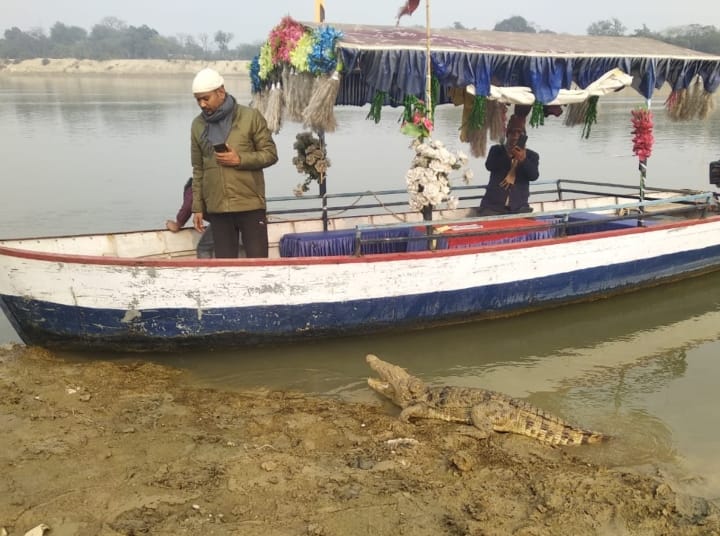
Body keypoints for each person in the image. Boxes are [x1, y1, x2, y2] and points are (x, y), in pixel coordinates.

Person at [190, 68, 279, 258]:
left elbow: (270, 154)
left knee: (258, 264)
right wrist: (197, 207)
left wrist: (240, 159)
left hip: (250, 204)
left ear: (220, 92)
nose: (202, 104)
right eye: (198, 100)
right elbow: (198, 169)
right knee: (226, 269)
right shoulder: (197, 125)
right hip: (218, 208)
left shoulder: (250, 117)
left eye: (206, 98)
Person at [478, 114, 540, 216]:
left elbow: (534, 176)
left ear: (524, 137)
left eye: (519, 133)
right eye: (512, 133)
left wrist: (523, 160)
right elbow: (489, 166)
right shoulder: (497, 150)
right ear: (507, 135)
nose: (515, 136)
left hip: (519, 207)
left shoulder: (531, 156)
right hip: (493, 206)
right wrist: (508, 154)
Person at [165, 177, 215, 258]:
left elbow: (188, 205)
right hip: (239, 216)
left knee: (203, 248)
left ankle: (204, 269)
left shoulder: (193, 188)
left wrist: (178, 223)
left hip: (221, 220)